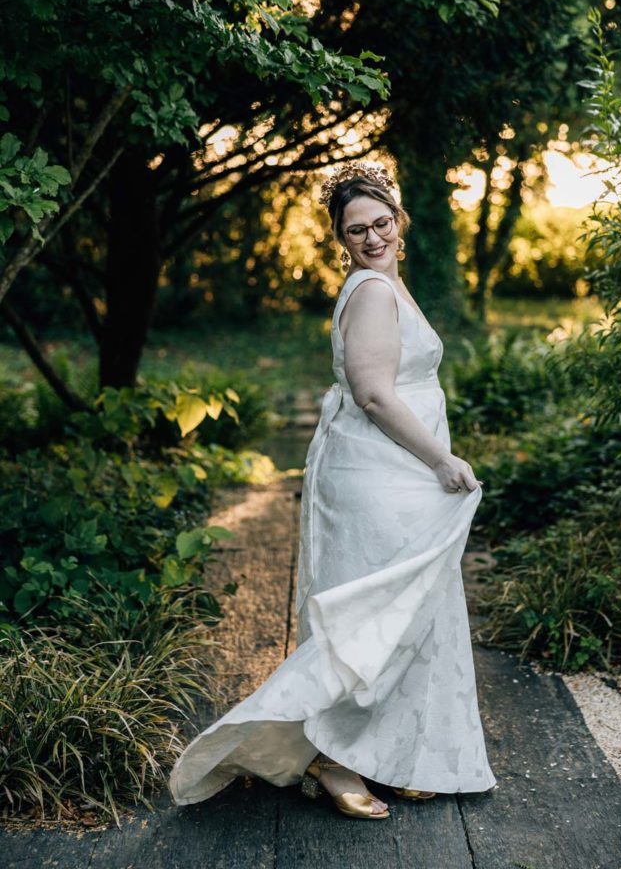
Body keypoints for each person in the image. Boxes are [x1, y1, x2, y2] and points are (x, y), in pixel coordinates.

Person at [169, 160, 497, 820]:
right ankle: (332, 757)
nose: (372, 237)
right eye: (356, 230)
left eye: (380, 222)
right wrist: (442, 459)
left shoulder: (384, 284)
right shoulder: (372, 292)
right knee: (368, 619)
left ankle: (384, 752)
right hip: (382, 476)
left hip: (392, 472)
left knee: (402, 617)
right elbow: (374, 393)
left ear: (398, 221)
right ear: (340, 239)